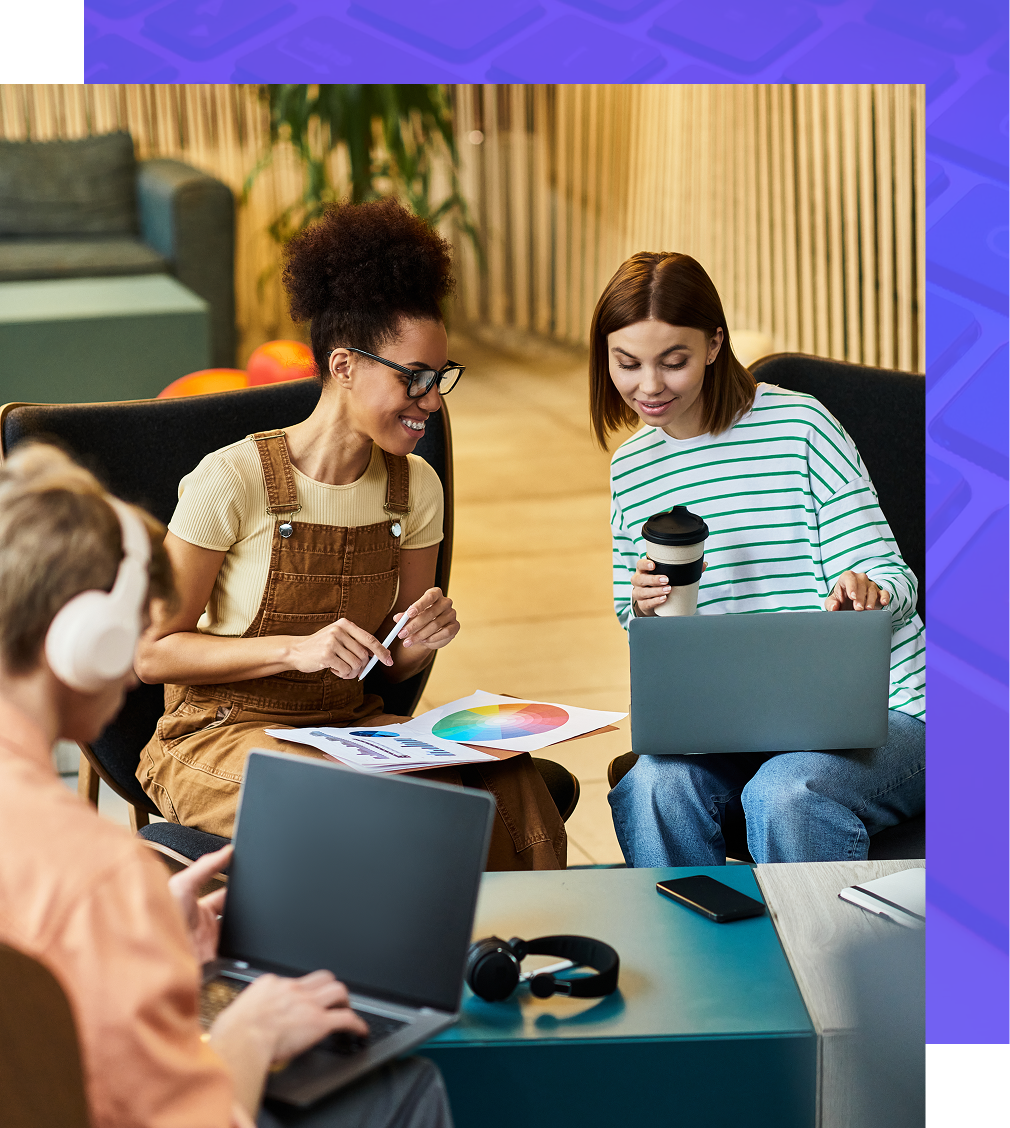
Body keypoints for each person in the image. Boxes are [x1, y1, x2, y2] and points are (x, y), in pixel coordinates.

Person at [0, 443, 453, 1127]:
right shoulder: (96, 874)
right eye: (132, 632)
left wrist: (145, 943)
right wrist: (245, 1038)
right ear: (85, 641)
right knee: (405, 1087)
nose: (135, 664)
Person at [134, 198, 566, 870]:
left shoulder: (414, 488)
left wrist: (419, 643)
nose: (431, 400)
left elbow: (392, 666)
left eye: (439, 378)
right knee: (388, 807)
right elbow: (152, 654)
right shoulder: (231, 480)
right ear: (344, 367)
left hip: (348, 729)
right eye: (413, 379)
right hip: (216, 739)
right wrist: (295, 652)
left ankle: (523, 959)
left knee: (508, 780)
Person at [590, 252, 924, 866]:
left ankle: (820, 962)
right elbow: (632, 618)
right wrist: (644, 608)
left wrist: (867, 592)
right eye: (627, 363)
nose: (650, 386)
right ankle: (693, 960)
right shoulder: (631, 466)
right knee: (652, 789)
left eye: (674, 361)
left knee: (786, 794)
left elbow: (895, 583)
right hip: (732, 720)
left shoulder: (801, 426)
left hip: (887, 711)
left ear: (716, 343)